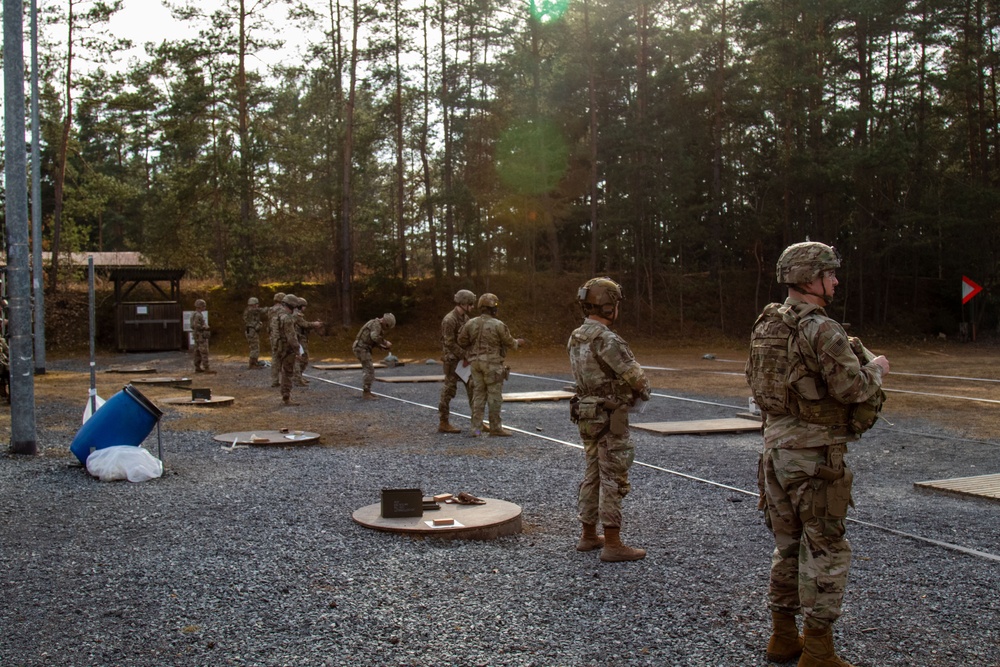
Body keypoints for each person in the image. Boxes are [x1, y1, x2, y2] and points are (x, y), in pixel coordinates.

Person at [745, 242, 889, 667]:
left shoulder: (766, 324)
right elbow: (851, 388)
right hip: (815, 459)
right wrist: (876, 368)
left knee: (787, 547)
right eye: (829, 273)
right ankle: (819, 650)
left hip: (774, 453)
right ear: (810, 278)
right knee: (825, 548)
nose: (836, 280)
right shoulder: (822, 329)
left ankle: (783, 637)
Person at [567, 277, 650, 562]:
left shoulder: (576, 335)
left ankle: (588, 535)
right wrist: (643, 390)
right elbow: (634, 377)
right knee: (613, 475)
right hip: (609, 415)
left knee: (592, 473)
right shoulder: (606, 338)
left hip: (587, 413)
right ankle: (613, 544)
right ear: (609, 306)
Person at [457, 293, 524, 437]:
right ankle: (495, 428)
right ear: (493, 308)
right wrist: (518, 342)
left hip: (475, 364)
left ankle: (476, 429)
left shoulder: (470, 323)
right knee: (494, 397)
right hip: (492, 365)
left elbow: (461, 341)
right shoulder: (498, 324)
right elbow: (510, 343)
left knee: (478, 395)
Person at [437, 289, 477, 433]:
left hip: (463, 361)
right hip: (452, 361)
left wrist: (468, 356)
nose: (472, 307)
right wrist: (464, 355)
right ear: (464, 303)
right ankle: (443, 422)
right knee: (448, 391)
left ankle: (477, 422)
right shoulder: (449, 320)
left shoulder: (465, 318)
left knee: (473, 389)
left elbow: (468, 339)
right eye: (471, 304)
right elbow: (449, 343)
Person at [353, 313, 395, 399]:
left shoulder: (375, 324)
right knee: (369, 370)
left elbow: (370, 339)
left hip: (362, 347)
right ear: (386, 323)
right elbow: (374, 337)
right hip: (361, 348)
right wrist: (385, 342)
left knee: (369, 369)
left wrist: (380, 346)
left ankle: (367, 392)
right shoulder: (376, 324)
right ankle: (366, 393)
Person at [275, 294, 301, 405]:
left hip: (279, 347)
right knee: (288, 372)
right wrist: (298, 350)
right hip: (288, 349)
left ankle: (285, 394)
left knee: (284, 371)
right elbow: (292, 337)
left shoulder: (278, 315)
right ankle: (286, 396)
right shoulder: (287, 319)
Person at [292, 297, 324, 387]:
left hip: (301, 338)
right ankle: (297, 378)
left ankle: (299, 377)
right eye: (304, 306)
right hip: (299, 339)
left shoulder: (298, 314)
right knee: (301, 358)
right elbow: (305, 324)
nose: (305, 308)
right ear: (300, 306)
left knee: (304, 358)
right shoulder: (297, 315)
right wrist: (315, 324)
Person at [268, 292, 286, 387]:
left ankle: (274, 380)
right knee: (284, 358)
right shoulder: (283, 310)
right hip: (281, 336)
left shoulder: (271, 310)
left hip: (272, 336)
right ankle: (284, 380)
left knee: (275, 358)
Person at [191, 299, 214, 373]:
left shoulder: (194, 314)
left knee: (197, 351)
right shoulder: (198, 315)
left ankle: (197, 367)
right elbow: (196, 325)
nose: (205, 307)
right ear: (200, 306)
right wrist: (204, 327)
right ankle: (206, 368)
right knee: (204, 351)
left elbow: (193, 325)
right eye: (203, 306)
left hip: (197, 335)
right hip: (200, 335)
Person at [243, 297, 263, 369]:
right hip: (252, 331)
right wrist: (258, 325)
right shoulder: (251, 311)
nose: (258, 306)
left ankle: (254, 362)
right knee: (255, 347)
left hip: (251, 330)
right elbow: (252, 322)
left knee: (255, 347)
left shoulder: (248, 311)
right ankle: (252, 364)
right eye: (256, 304)